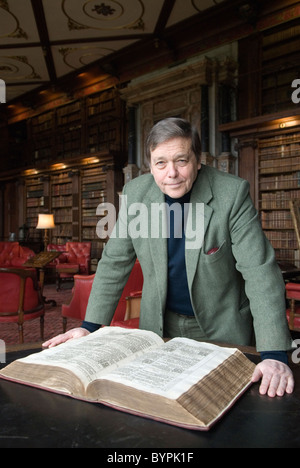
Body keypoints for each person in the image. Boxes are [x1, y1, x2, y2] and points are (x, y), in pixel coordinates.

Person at [44, 117, 294, 397]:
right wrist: (89, 327)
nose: (171, 173)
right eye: (160, 163)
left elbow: (259, 271)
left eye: (181, 160)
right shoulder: (136, 194)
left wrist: (274, 354)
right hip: (159, 326)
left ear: (198, 160)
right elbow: (115, 262)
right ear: (150, 165)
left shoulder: (231, 194)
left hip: (222, 327)